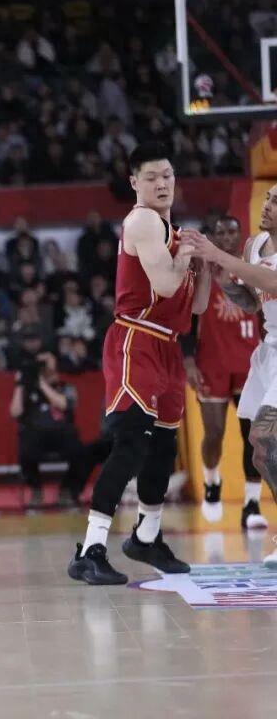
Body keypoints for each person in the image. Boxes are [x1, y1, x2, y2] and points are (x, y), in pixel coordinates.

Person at [69, 143, 209, 586]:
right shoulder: (143, 220)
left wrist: (204, 264)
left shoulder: (174, 230)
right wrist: (186, 256)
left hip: (168, 343)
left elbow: (196, 306)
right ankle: (90, 549)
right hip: (136, 337)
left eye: (167, 175)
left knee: (164, 448)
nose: (162, 183)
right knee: (130, 444)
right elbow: (165, 285)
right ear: (134, 183)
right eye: (151, 177)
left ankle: (147, 537)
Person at [182, 183, 277, 566]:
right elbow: (253, 302)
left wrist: (217, 254)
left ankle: (259, 512)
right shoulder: (255, 246)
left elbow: (272, 283)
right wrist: (223, 279)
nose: (267, 205)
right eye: (267, 198)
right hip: (265, 352)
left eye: (276, 201)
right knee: (255, 446)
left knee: (264, 437)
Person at [10, 352, 87, 507]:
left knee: (81, 452)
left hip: (62, 434)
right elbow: (15, 412)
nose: (45, 368)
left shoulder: (66, 387)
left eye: (48, 364)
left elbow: (63, 404)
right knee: (25, 449)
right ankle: (36, 490)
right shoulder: (28, 389)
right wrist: (20, 384)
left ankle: (66, 490)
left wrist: (42, 384)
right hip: (35, 435)